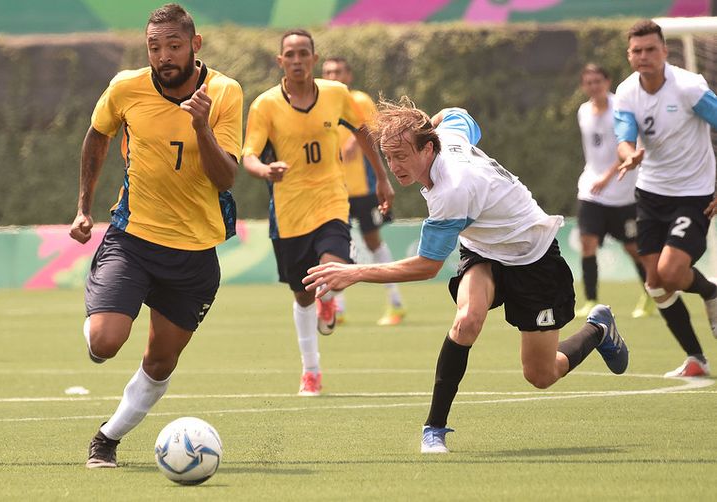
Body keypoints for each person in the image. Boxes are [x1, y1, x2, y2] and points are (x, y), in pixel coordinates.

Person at [303, 98, 629, 453]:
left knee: (541, 375)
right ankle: (434, 429)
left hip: (533, 257)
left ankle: (598, 329)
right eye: (388, 156)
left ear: (428, 149)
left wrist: (356, 272)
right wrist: (427, 122)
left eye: (402, 155)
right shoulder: (447, 136)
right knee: (466, 322)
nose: (395, 166)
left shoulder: (451, 189)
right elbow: (457, 114)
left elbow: (426, 266)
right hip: (485, 252)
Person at [69, 3, 242, 468]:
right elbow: (97, 135)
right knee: (104, 343)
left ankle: (106, 438)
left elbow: (225, 178)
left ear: (195, 46)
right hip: (134, 240)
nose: (164, 56)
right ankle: (104, 305)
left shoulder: (225, 92)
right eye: (154, 47)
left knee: (161, 362)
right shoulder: (126, 87)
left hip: (194, 254)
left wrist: (201, 124)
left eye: (173, 46)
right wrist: (84, 208)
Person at [242, 30, 394, 396]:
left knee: (330, 271)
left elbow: (364, 132)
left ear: (313, 58)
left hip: (331, 201)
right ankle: (311, 369)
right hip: (289, 212)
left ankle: (328, 306)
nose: (297, 60)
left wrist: (382, 179)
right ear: (281, 61)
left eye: (303, 53)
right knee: (302, 295)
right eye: (290, 54)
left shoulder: (336, 95)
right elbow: (248, 154)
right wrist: (265, 170)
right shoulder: (265, 105)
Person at [615, 19, 717, 378]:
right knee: (655, 282)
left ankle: (709, 292)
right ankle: (696, 358)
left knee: (672, 273)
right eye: (637, 51)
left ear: (664, 51)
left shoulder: (689, 88)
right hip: (650, 194)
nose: (644, 56)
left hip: (694, 194)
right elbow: (624, 136)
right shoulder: (627, 91)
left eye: (650, 50)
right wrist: (629, 154)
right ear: (630, 56)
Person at [321, 56, 406, 326]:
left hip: (363, 188)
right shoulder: (319, 102)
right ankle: (338, 309)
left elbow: (370, 131)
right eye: (327, 72)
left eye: (338, 71)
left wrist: (355, 145)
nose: (333, 76)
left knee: (372, 242)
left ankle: (396, 303)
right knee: (339, 245)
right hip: (334, 190)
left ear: (348, 75)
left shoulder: (359, 99)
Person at [574, 63, 654, 319]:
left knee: (633, 248)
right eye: (589, 82)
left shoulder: (620, 110)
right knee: (588, 244)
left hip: (622, 193)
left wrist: (608, 178)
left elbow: (628, 147)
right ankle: (591, 300)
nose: (593, 86)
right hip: (591, 191)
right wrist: (597, 178)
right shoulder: (583, 111)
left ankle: (650, 295)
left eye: (598, 81)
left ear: (607, 82)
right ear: (584, 85)